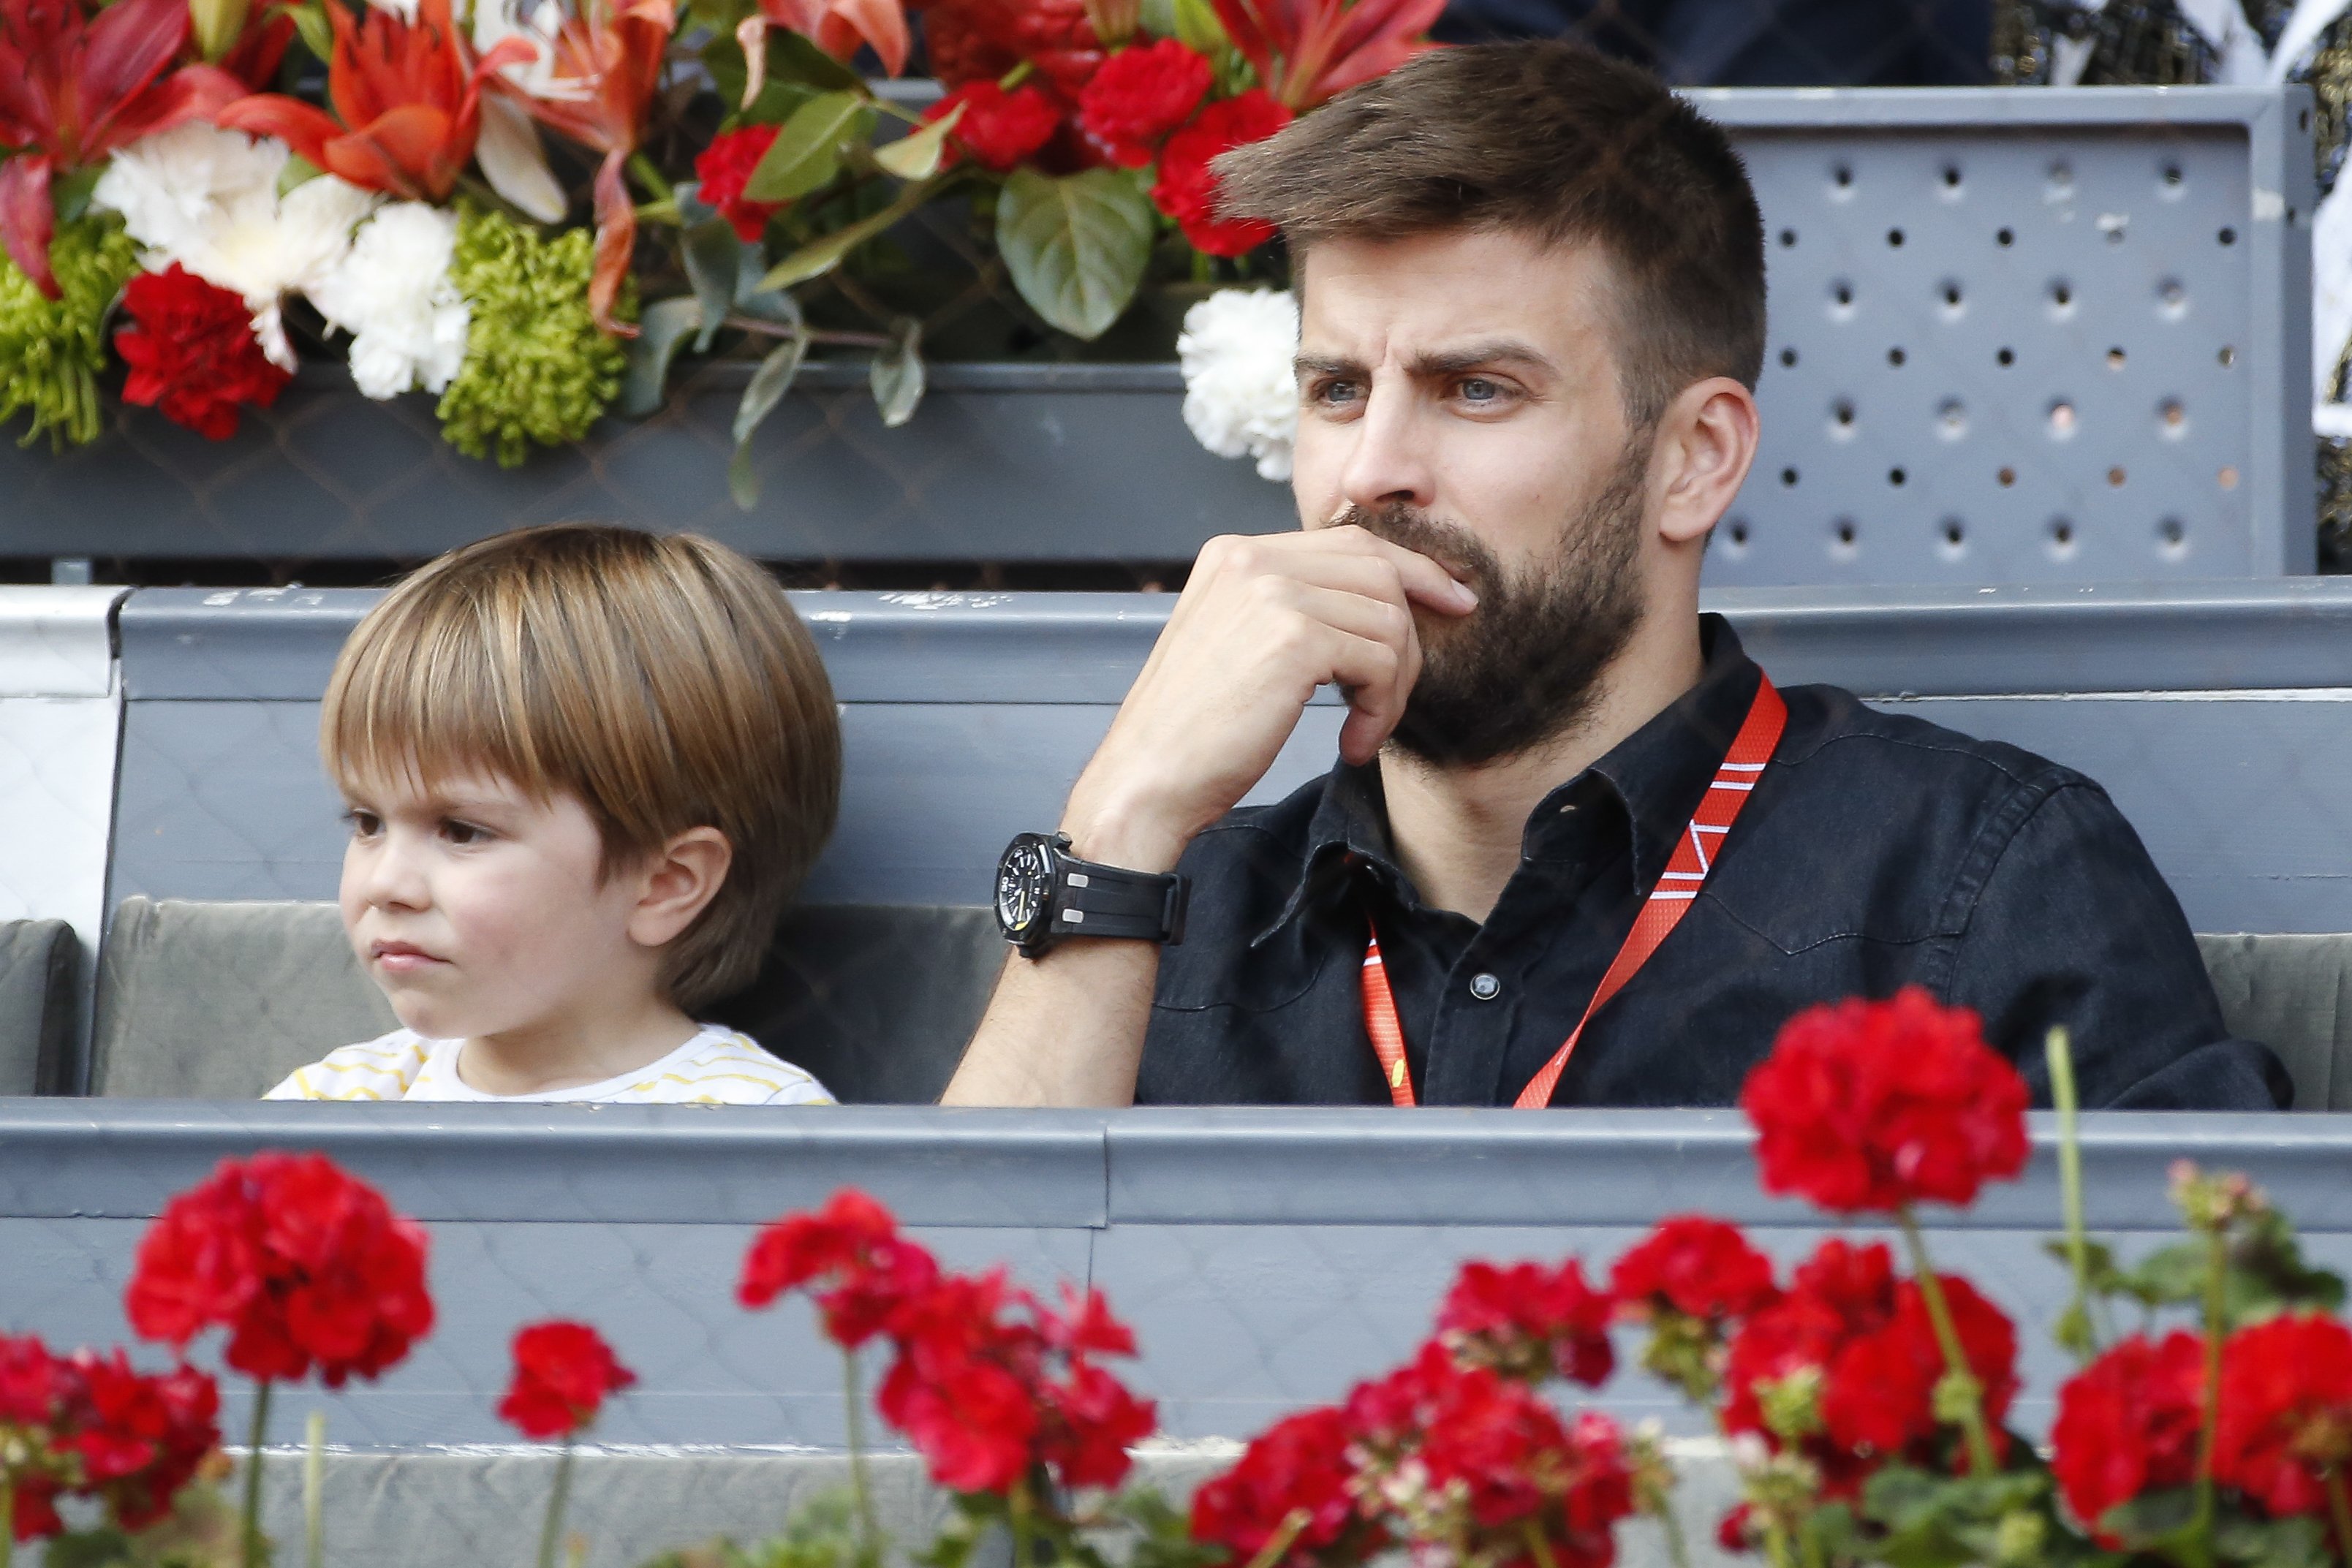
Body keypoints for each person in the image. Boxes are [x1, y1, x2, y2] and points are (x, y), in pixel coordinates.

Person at [945, 41, 2288, 1112]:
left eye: (1475, 389)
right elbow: (929, 1399)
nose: (1371, 473)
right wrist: (1117, 826)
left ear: (1693, 459)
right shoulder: (1171, 899)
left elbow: (2212, 1378)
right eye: (1338, 389)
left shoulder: (1963, 883)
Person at [267, 524, 842, 1105]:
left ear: (664, 884)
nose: (386, 884)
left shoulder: (751, 1127)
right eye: (368, 823)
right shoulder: (333, 1105)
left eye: (462, 830)